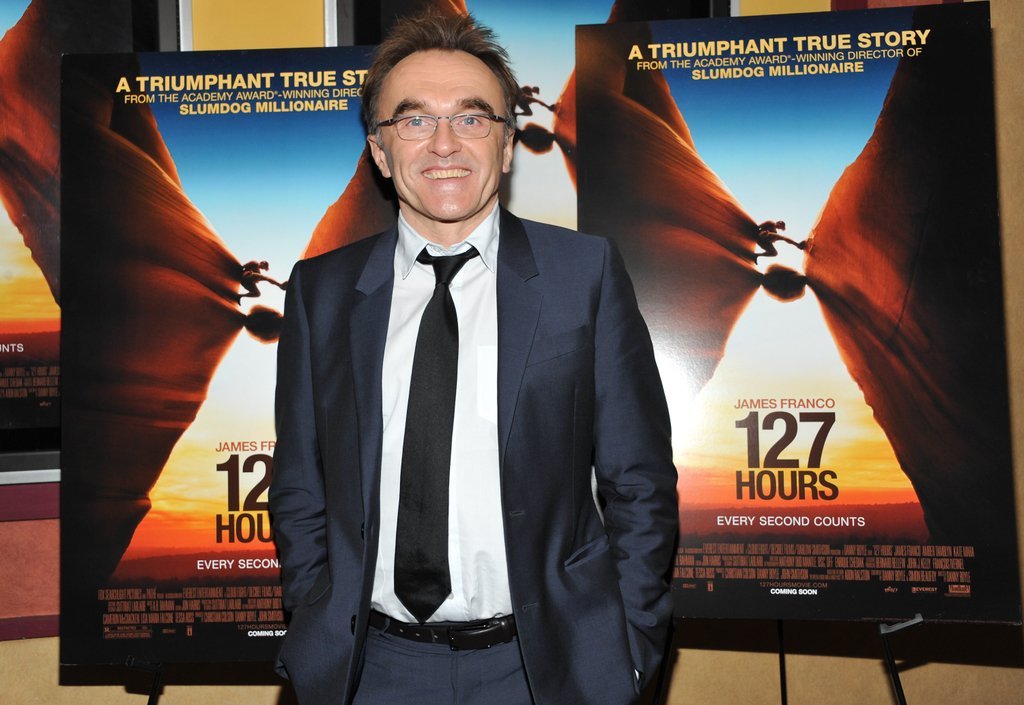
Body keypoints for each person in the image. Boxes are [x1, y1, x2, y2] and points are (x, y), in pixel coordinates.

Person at [270, 11, 677, 705]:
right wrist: (313, 609)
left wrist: (628, 649)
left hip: (544, 671)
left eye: (471, 117)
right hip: (371, 671)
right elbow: (301, 484)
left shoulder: (583, 274)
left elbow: (639, 479)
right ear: (379, 151)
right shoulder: (322, 291)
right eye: (414, 120)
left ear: (508, 144)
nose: (444, 143)